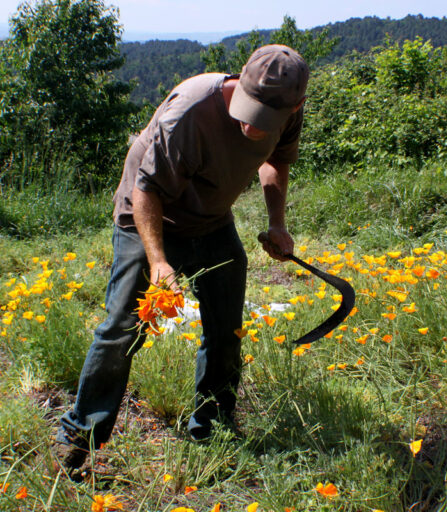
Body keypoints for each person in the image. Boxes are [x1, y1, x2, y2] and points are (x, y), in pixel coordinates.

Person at [55, 44, 309, 471]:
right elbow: (145, 189)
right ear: (239, 80)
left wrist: (277, 223)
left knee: (227, 327)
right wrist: (158, 261)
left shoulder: (289, 111)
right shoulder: (190, 111)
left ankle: (213, 426)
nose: (252, 126)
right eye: (249, 109)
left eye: (265, 117)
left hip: (210, 220)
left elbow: (276, 164)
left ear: (296, 104)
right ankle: (80, 437)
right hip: (149, 215)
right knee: (123, 326)